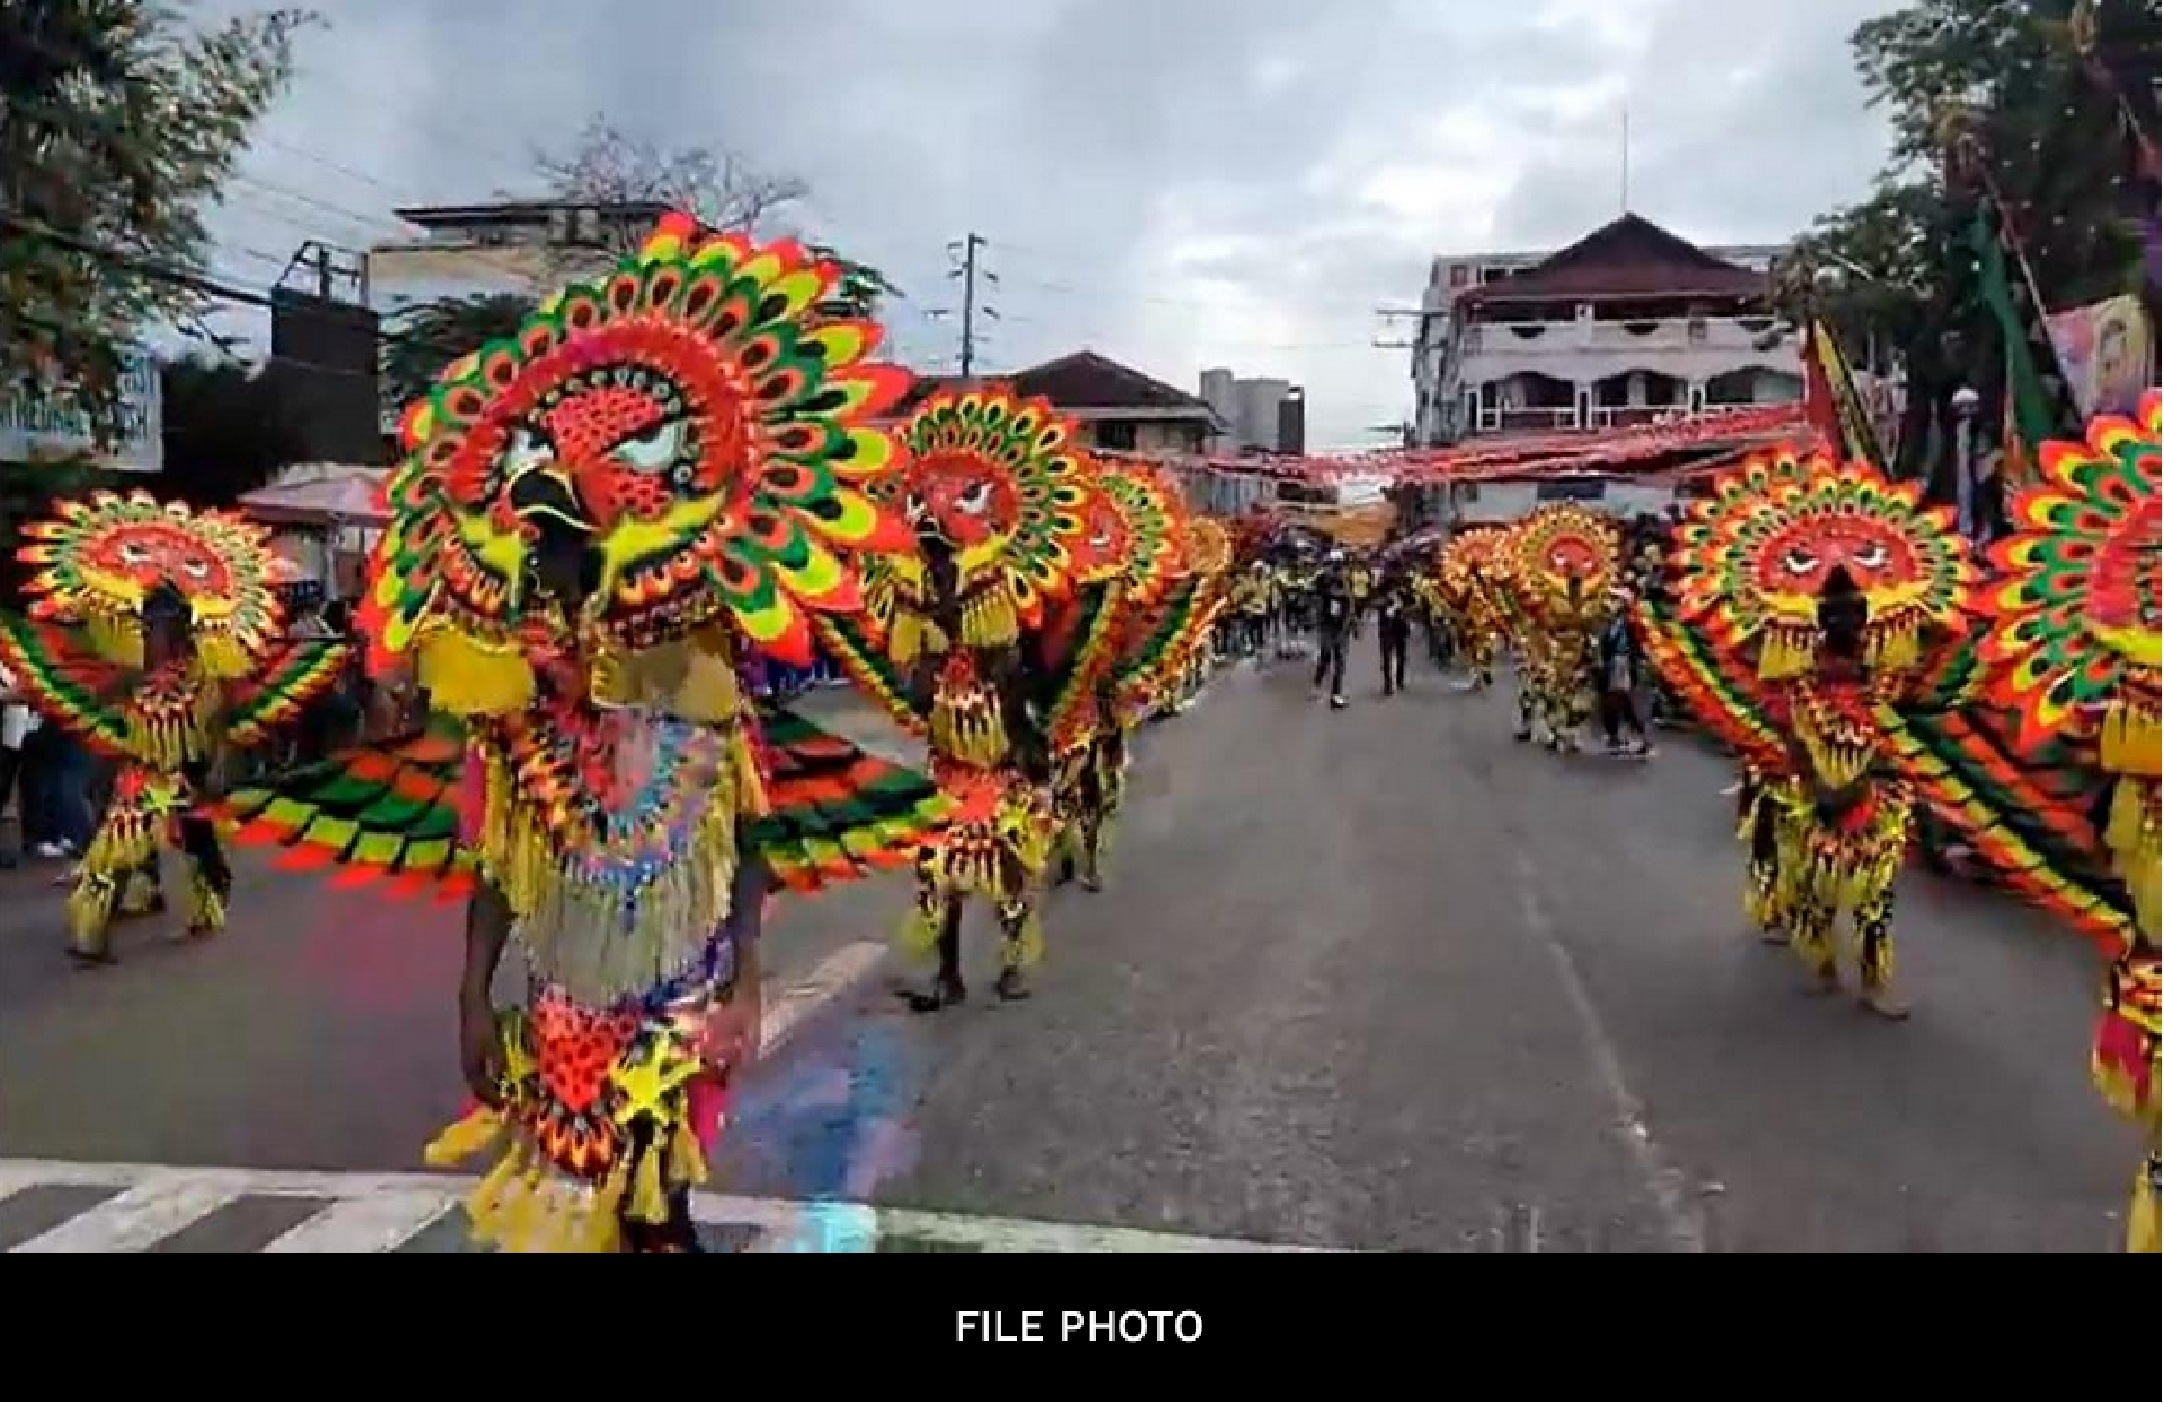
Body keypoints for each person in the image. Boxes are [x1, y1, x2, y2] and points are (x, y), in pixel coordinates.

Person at [0, 493, 347, 964]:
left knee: (197, 848)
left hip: (185, 779)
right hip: (138, 778)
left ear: (181, 628)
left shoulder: (207, 677)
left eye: (158, 627)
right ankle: (93, 930)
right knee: (112, 851)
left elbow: (220, 727)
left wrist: (213, 766)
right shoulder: (131, 675)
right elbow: (98, 699)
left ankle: (201, 900)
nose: (150, 634)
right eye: (146, 626)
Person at [1594, 593, 1652, 756]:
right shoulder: (1608, 623)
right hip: (1611, 665)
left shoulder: (1630, 623)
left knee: (1625, 701)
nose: (1610, 603)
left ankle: (1639, 737)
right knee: (1610, 701)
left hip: (1623, 664)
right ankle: (1615, 735)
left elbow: (1639, 643)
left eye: (1615, 600)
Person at [1311, 556, 1354, 709]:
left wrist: (1349, 626)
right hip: (1327, 627)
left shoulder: (1345, 586)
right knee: (1326, 655)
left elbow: (1350, 608)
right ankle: (1317, 685)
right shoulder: (1323, 586)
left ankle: (1336, 694)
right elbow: (1317, 604)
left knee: (1339, 661)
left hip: (1340, 628)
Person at [1375, 568, 1412, 696]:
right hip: (1386, 629)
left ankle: (1399, 680)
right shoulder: (1382, 594)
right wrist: (1386, 604)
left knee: (1400, 654)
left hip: (1399, 627)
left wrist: (1402, 611)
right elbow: (1376, 603)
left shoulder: (1404, 592)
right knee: (1386, 656)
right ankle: (1388, 684)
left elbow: (1412, 605)